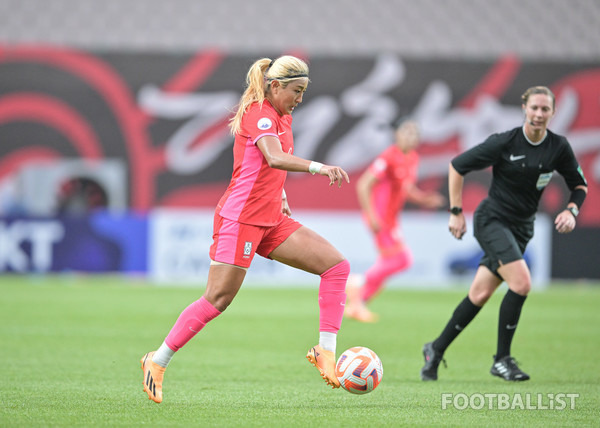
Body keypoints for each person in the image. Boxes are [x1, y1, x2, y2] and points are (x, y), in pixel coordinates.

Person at [141, 56, 351, 403]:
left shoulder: (283, 116)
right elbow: (272, 156)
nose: (300, 98)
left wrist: (279, 192)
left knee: (336, 267)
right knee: (218, 299)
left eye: (303, 92)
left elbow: (258, 165)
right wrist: (318, 167)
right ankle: (157, 359)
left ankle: (325, 351)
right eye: (296, 91)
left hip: (270, 218)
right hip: (240, 219)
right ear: (276, 86)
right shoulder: (260, 113)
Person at [420, 86, 588, 382]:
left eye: (544, 109)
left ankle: (436, 348)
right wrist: (456, 212)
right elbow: (457, 166)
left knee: (480, 293)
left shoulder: (558, 147)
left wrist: (571, 210)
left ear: (552, 113)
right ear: (524, 108)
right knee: (521, 283)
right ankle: (502, 360)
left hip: (522, 227)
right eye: (534, 108)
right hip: (492, 220)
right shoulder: (505, 142)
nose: (538, 114)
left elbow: (579, 185)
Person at [344, 119, 445, 322]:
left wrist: (425, 199)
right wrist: (372, 216)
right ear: (396, 135)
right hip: (380, 218)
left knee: (392, 262)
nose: (411, 136)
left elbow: (406, 189)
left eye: (414, 133)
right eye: (406, 132)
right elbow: (363, 185)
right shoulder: (389, 156)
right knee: (401, 260)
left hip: (391, 219)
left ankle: (357, 304)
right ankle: (356, 283)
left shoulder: (412, 158)